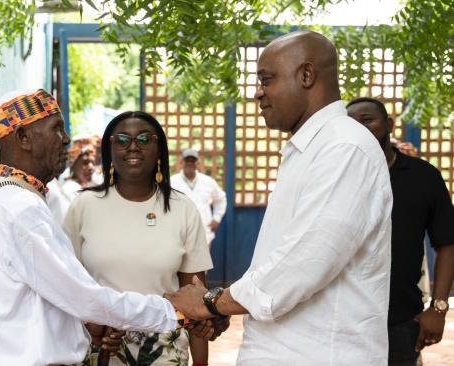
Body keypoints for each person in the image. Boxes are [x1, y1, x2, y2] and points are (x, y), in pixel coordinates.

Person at [165, 30, 393, 365]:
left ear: (306, 75)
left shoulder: (345, 147)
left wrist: (210, 302)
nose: (258, 93)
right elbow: (280, 262)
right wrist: (228, 305)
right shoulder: (311, 148)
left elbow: (305, 264)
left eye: (266, 79)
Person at [0, 91, 211, 365]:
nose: (67, 140)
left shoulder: (2, 197)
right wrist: (174, 308)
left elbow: (60, 299)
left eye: (144, 140)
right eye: (56, 129)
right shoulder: (19, 206)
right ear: (23, 137)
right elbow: (84, 297)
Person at [63, 112, 216, 366]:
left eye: (144, 139)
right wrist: (92, 326)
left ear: (159, 149)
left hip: (164, 352)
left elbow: (195, 299)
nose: (133, 145)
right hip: (101, 348)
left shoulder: (183, 208)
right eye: (121, 139)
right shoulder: (84, 206)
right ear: (109, 150)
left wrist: (201, 364)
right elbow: (66, 286)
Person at [347, 97, 454, 366]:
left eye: (367, 120)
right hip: (341, 322)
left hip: (400, 322)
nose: (360, 128)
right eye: (352, 123)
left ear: (389, 124)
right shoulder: (337, 178)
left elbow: (447, 243)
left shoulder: (423, 176)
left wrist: (439, 309)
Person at [171, 148, 227, 245]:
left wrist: (216, 218)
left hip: (204, 235)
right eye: (187, 160)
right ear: (181, 162)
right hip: (179, 236)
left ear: (197, 163)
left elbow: (221, 199)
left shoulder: (208, 181)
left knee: (203, 260)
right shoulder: (172, 182)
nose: (190, 163)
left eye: (193, 161)